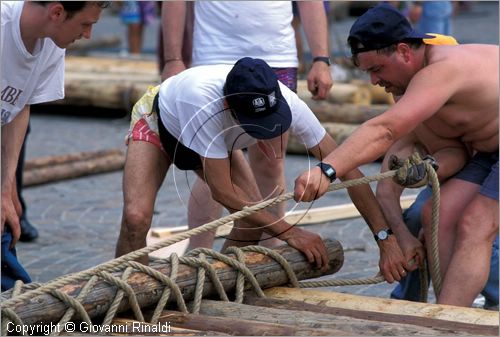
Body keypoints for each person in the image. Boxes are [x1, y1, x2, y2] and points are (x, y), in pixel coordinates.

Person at [115, 57, 410, 283]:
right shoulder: (201, 100)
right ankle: (124, 289)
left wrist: (385, 239)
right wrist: (291, 233)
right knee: (136, 217)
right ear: (229, 105)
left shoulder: (291, 102)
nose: (267, 132)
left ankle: (218, 285)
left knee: (252, 222)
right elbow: (222, 192)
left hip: (216, 139)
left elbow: (348, 170)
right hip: (159, 122)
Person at [294, 3, 498, 307]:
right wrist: (400, 234)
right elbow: (449, 151)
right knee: (432, 214)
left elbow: (385, 130)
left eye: (377, 70)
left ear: (404, 51)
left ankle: (448, 322)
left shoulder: (441, 70)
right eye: (368, 73)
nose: (374, 82)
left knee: (476, 222)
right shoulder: (406, 87)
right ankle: (450, 311)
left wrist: (327, 170)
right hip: (489, 150)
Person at [160, 1, 333, 250]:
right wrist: (173, 58)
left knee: (272, 160)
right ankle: (198, 251)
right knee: (212, 163)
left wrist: (321, 58)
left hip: (276, 55)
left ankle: (269, 246)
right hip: (215, 52)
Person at [1, 1, 108, 290]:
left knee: (6, 229)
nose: (87, 35)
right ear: (57, 12)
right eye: (86, 24)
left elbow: (18, 106)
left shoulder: (51, 42)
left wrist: (7, 184)